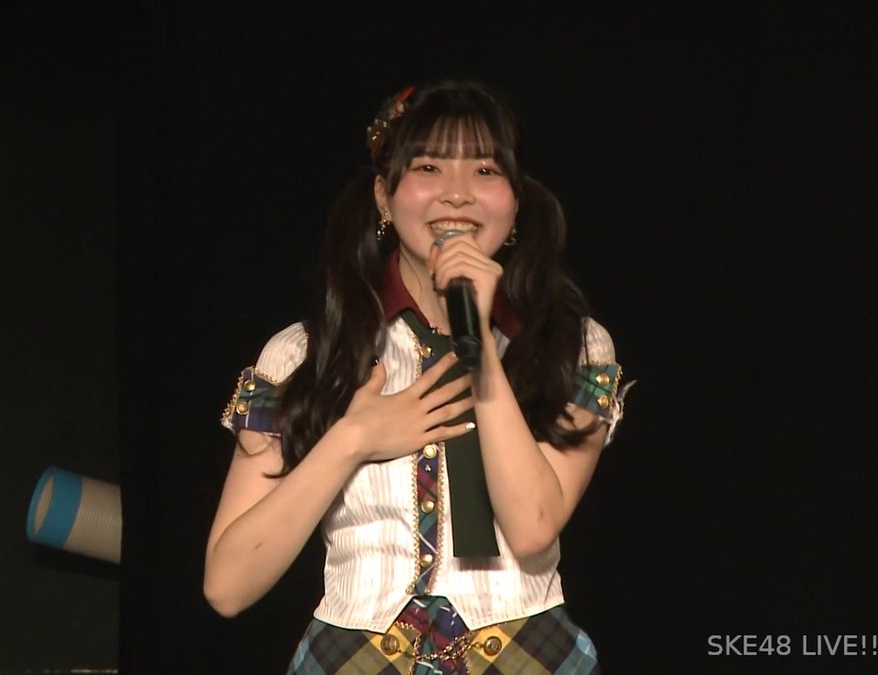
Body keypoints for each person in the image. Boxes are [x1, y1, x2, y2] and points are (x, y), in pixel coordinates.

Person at [205, 78, 632, 674]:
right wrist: (354, 438)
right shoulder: (307, 353)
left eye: (485, 170)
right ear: (384, 196)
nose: (457, 194)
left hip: (529, 655)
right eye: (428, 167)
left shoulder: (570, 345)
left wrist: (478, 342)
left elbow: (533, 527)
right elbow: (228, 586)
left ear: (515, 204)